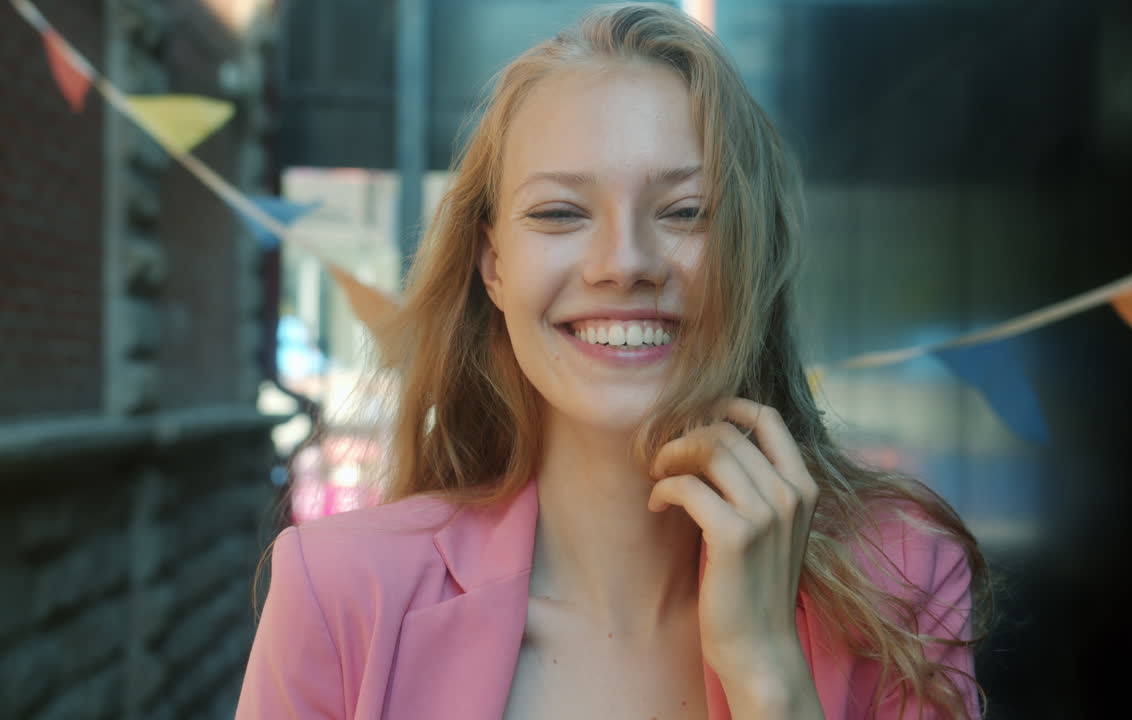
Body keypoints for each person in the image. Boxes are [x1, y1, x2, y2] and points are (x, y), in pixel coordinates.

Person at [236, 3, 989, 718]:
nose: (624, 263)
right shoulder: (336, 592)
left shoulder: (904, 580)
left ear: (751, 256)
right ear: (493, 265)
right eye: (560, 212)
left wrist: (767, 672)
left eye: (687, 211)